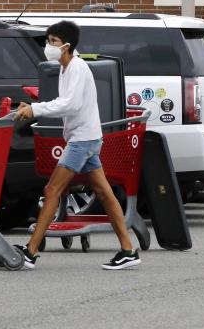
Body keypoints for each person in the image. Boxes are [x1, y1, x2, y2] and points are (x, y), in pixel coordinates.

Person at [13, 20, 141, 270]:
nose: (49, 46)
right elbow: (68, 103)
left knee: (52, 190)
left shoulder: (77, 68)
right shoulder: (67, 67)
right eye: (48, 41)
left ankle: (31, 251)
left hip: (83, 140)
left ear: (67, 46)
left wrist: (36, 109)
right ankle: (128, 250)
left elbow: (69, 104)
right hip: (86, 137)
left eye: (54, 42)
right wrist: (33, 106)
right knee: (104, 193)